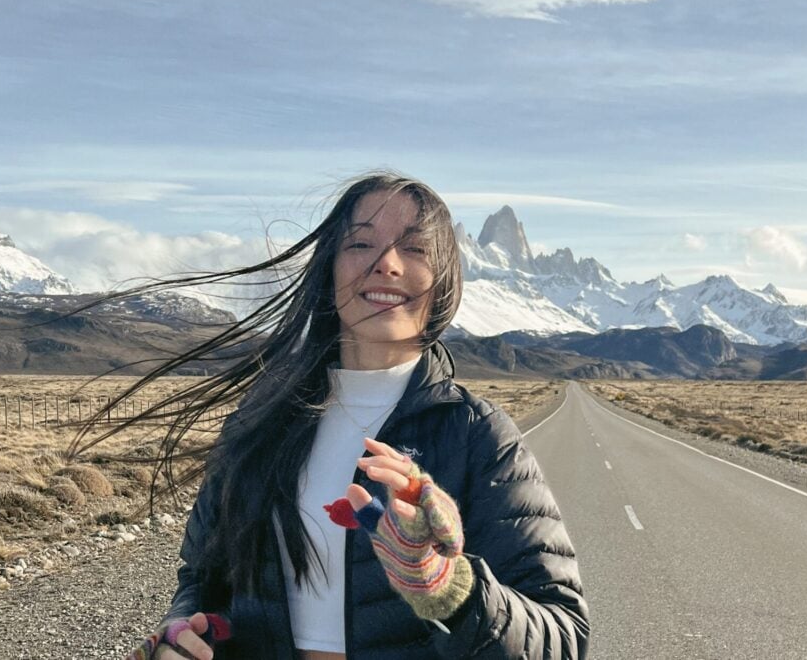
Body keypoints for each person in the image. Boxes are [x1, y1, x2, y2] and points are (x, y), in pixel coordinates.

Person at [79, 172, 588, 659]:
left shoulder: (477, 435)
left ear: (442, 282)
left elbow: (563, 636)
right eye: (361, 244)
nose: (387, 263)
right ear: (329, 269)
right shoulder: (259, 423)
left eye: (415, 248)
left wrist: (445, 586)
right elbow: (202, 577)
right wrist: (182, 632)